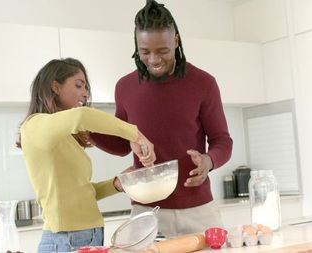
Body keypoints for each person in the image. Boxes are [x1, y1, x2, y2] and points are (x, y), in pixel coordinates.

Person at [90, 0, 233, 237]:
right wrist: (87, 131)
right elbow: (122, 145)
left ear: (175, 40)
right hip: (146, 212)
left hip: (198, 211)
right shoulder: (125, 87)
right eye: (145, 52)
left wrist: (208, 161)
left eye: (162, 51)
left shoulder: (203, 83)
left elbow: (223, 141)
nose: (154, 60)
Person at [17, 58, 156, 252]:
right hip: (64, 240)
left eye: (86, 87)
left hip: (89, 236)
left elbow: (80, 192)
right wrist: (135, 135)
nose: (85, 92)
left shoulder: (66, 136)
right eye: (79, 85)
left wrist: (116, 184)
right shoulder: (34, 126)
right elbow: (82, 116)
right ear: (55, 87)